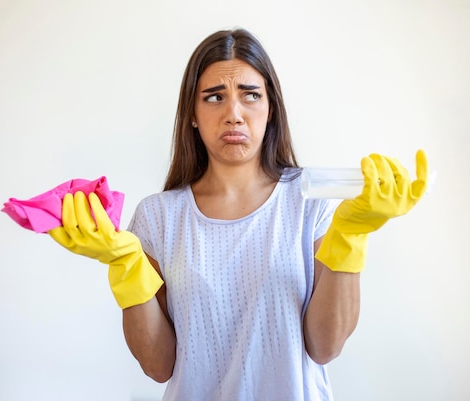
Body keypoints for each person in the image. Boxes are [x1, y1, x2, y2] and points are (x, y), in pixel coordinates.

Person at [48, 28, 428, 400]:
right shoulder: (157, 217)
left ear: (271, 108)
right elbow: (157, 365)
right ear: (192, 115)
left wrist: (350, 236)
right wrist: (127, 265)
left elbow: (325, 347)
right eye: (214, 98)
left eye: (250, 95)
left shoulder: (311, 201)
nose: (234, 114)